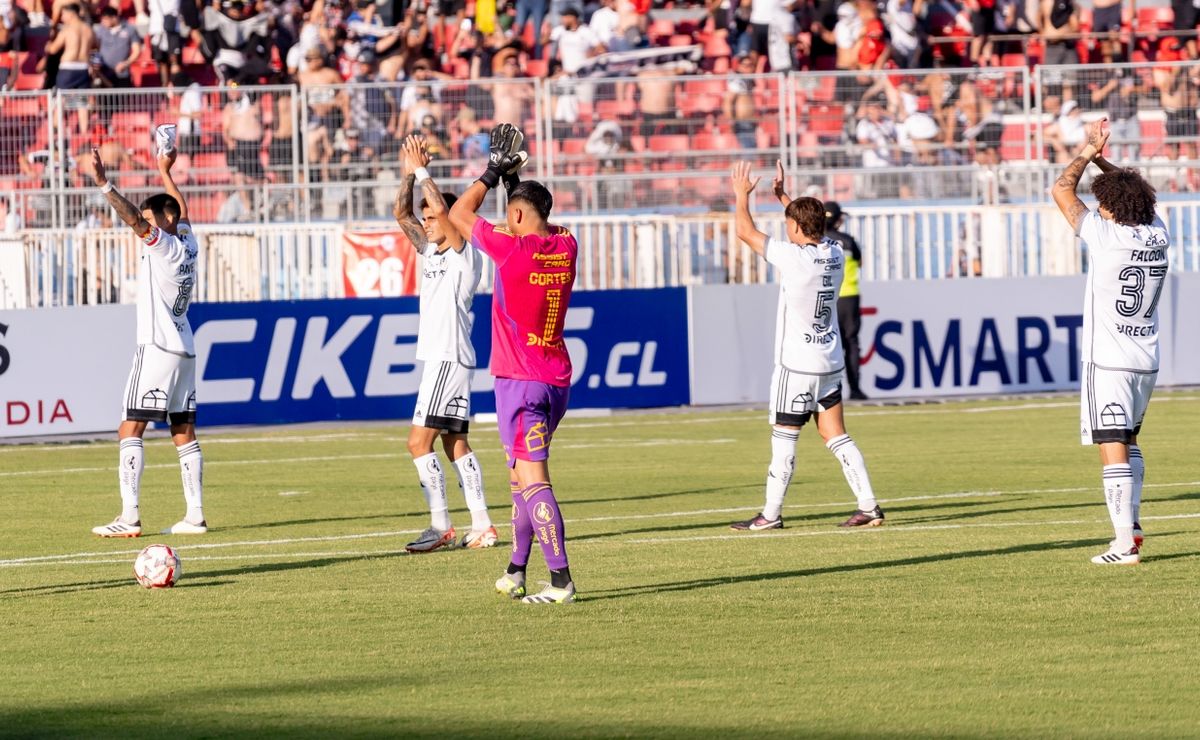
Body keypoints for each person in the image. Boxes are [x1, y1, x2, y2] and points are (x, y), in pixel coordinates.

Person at [448, 123, 579, 604]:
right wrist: (514, 185)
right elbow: (525, 222)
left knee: (534, 480)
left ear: (518, 214)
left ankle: (561, 580)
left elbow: (458, 213)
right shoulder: (565, 245)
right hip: (554, 376)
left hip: (519, 382)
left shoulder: (510, 249)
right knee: (519, 476)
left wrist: (491, 171)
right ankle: (516, 568)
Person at [728, 160, 883, 531]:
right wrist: (784, 197)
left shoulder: (793, 257)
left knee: (784, 439)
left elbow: (745, 232)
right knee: (836, 435)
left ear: (795, 228)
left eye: (788, 224)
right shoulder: (833, 253)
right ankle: (869, 506)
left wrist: (741, 196)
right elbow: (809, 227)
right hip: (829, 362)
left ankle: (770, 514)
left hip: (796, 366)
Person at [1050, 118, 1169, 566]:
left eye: (1104, 205)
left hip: (1110, 359)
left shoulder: (1105, 236)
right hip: (1146, 357)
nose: (1098, 210)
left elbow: (1061, 190)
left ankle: (1123, 543)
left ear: (1113, 209)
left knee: (1112, 447)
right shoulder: (1158, 232)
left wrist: (1087, 151)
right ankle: (1132, 529)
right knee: (1130, 441)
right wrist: (1106, 162)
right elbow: (1136, 199)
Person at [89, 145, 206, 538]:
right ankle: (195, 516)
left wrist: (105, 184)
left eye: (156, 218)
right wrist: (164, 169)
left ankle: (130, 516)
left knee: (130, 428)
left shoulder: (168, 246)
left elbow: (135, 219)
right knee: (183, 431)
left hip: (157, 346)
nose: (149, 225)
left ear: (164, 220)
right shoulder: (189, 242)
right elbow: (182, 210)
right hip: (185, 348)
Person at [393, 135, 497, 553]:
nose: (427, 222)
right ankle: (483, 525)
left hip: (447, 357)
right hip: (447, 358)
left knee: (418, 443)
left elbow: (440, 209)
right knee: (456, 443)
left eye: (433, 219)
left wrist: (422, 171)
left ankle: (441, 526)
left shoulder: (461, 252)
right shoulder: (431, 252)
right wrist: (406, 178)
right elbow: (402, 213)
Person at [820, 200, 867, 400]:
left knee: (825, 345)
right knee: (851, 344)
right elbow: (860, 262)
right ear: (838, 220)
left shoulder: (818, 241)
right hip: (849, 297)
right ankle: (855, 389)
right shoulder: (848, 241)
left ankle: (827, 391)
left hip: (826, 298)